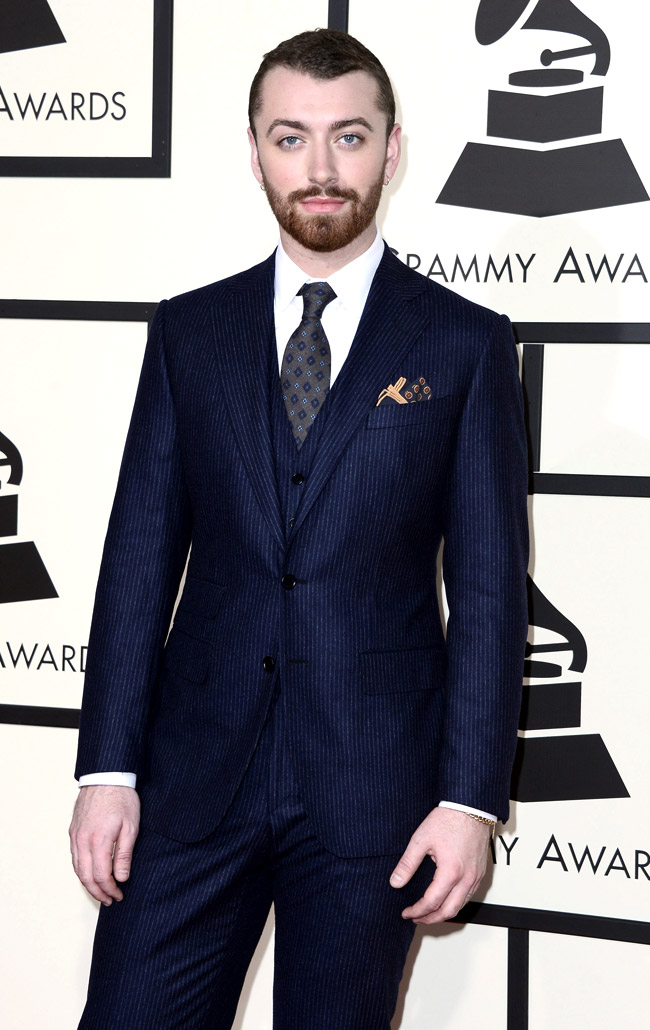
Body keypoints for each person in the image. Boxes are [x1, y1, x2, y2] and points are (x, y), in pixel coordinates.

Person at [69, 27, 529, 1030]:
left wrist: (468, 798)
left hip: (375, 793)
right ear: (254, 152)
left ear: (391, 149)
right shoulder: (188, 333)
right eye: (290, 138)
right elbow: (140, 556)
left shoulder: (462, 343)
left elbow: (490, 593)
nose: (319, 169)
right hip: (192, 783)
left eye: (347, 138)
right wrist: (106, 767)